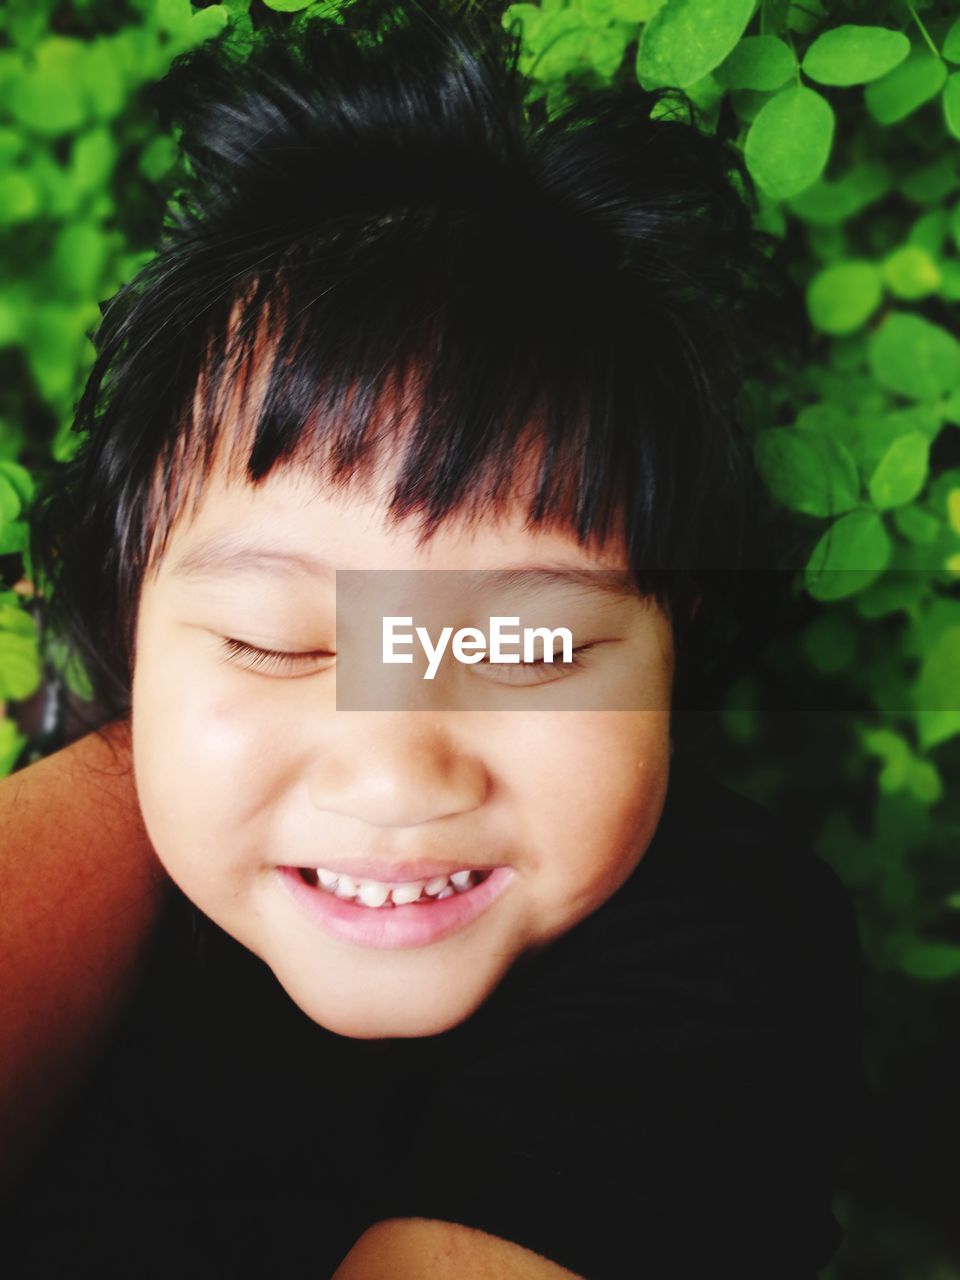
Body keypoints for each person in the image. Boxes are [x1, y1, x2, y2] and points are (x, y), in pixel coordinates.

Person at [1, 1, 865, 1276]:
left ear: (679, 644)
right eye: (275, 639)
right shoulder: (109, 833)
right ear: (127, 628)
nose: (395, 771)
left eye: (524, 651)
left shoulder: (728, 946)